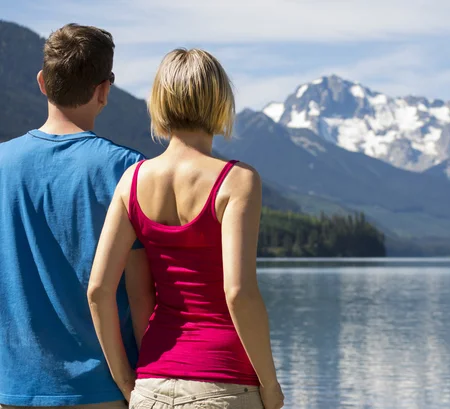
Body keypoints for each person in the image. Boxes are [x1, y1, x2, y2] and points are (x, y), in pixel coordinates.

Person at [87, 48, 285, 409]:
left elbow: (99, 290)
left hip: (151, 384)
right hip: (225, 385)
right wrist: (270, 385)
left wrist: (125, 381)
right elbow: (238, 293)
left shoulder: (131, 182)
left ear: (160, 102)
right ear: (219, 101)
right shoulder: (236, 181)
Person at [0, 24, 149, 409]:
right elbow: (142, 291)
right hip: (104, 390)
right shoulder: (128, 170)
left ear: (42, 82)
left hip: (11, 387)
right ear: (104, 90)